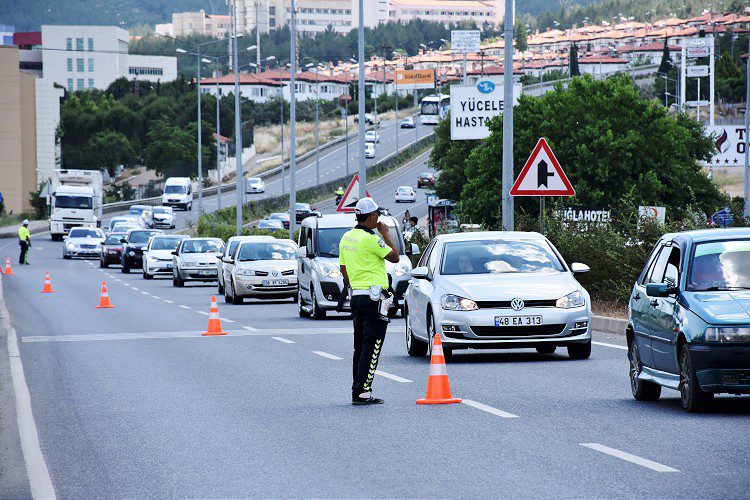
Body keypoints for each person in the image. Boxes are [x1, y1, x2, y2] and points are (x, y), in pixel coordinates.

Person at [339, 197, 400, 405]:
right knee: (372, 345)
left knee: (360, 346)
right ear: (372, 216)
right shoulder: (372, 239)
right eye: (378, 215)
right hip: (374, 298)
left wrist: (356, 283)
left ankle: (357, 390)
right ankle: (363, 392)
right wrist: (385, 234)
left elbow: (343, 269)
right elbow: (395, 257)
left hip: (357, 296)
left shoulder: (346, 238)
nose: (379, 219)